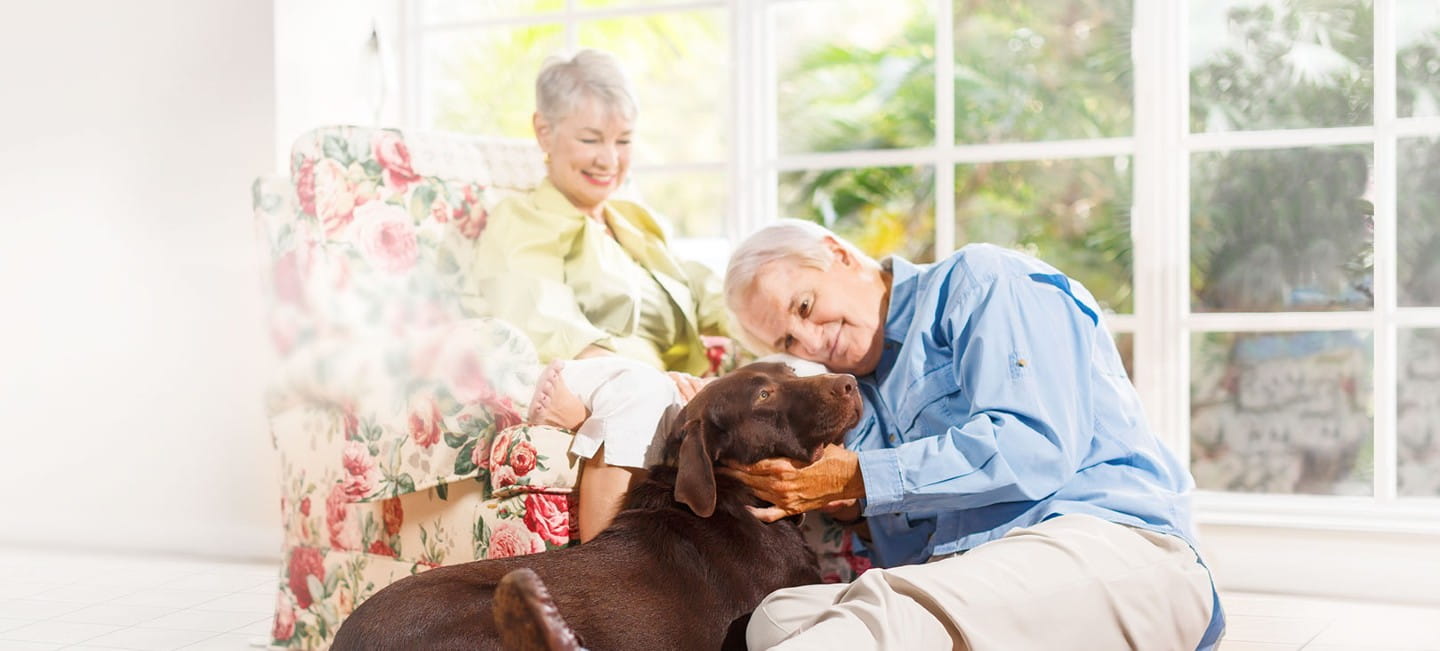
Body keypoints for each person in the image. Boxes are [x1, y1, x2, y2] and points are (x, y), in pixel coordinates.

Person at [720, 219, 1226, 650]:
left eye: (804, 307)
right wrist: (853, 508)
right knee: (777, 621)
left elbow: (1034, 446)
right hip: (976, 579)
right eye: (788, 339)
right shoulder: (855, 405)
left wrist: (860, 478)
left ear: (837, 254)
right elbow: (905, 547)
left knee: (876, 621)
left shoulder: (983, 281)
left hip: (1110, 542)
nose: (810, 341)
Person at [469, 49, 727, 541]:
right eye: (590, 139)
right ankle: (605, 581)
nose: (609, 159)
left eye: (623, 141)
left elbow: (704, 293)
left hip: (664, 383)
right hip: (579, 368)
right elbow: (542, 316)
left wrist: (780, 325)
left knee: (795, 377)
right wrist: (658, 382)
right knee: (641, 389)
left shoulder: (631, 220)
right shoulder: (523, 219)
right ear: (544, 132)